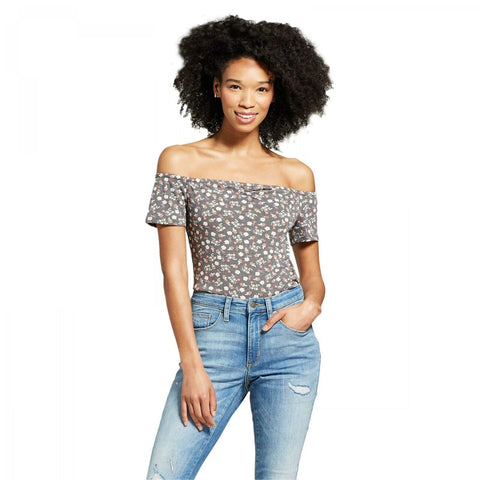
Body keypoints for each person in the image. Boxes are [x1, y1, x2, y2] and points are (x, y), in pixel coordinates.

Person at [144, 14, 332, 480]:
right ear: (215, 88)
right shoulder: (179, 162)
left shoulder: (296, 175)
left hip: (287, 342)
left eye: (261, 89)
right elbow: (174, 273)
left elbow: (312, 272)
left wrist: (310, 306)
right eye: (235, 87)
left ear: (276, 94)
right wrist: (192, 364)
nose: (248, 101)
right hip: (213, 333)